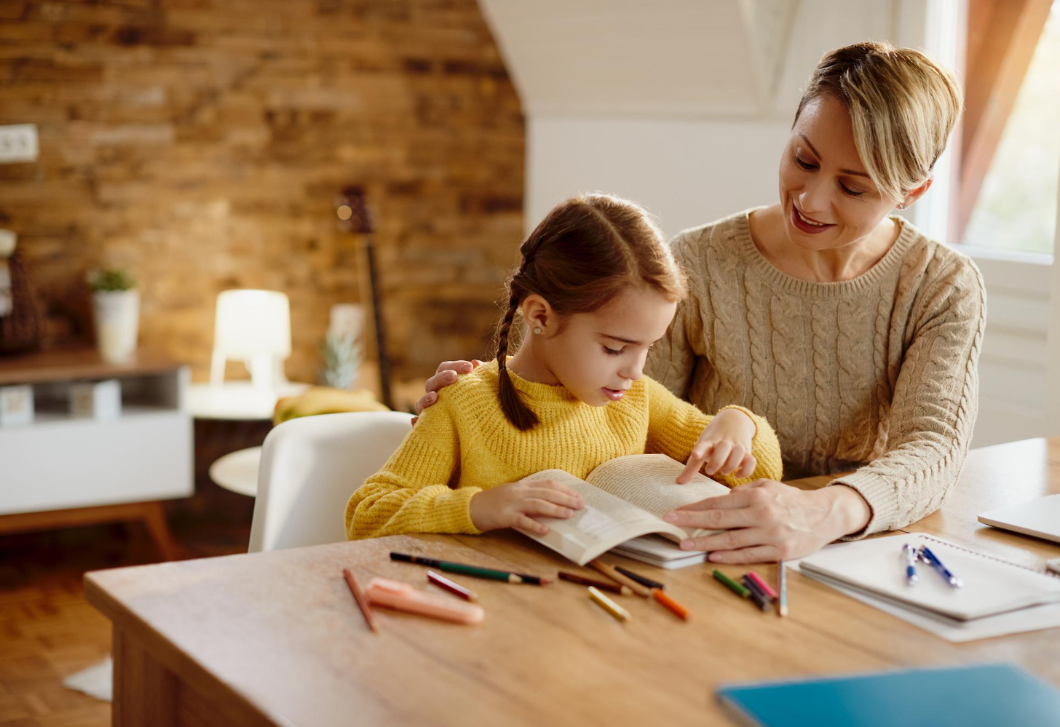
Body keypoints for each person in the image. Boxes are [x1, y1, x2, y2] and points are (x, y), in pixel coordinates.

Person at [414, 42, 986, 563]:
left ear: (912, 193)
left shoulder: (941, 285)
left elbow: (933, 448)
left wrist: (824, 511)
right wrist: (485, 397)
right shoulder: (699, 263)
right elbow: (606, 410)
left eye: (853, 187)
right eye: (804, 160)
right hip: (706, 554)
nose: (810, 200)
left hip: (865, 550)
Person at [345, 194, 782, 541]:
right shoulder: (464, 404)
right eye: (615, 348)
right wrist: (479, 507)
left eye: (648, 347)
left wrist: (737, 424)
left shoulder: (637, 399)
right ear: (540, 317)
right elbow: (368, 514)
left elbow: (764, 473)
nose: (635, 369)